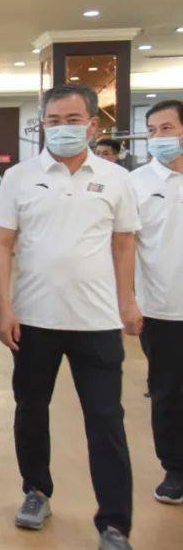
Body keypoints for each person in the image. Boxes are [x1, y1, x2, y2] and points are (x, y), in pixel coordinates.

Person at [0, 83, 140, 550]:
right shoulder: (20, 177)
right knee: (31, 410)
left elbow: (124, 244)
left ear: (92, 125)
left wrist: (127, 302)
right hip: (33, 319)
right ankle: (36, 491)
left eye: (72, 120)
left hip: (97, 322)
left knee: (106, 419)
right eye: (53, 121)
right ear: (42, 125)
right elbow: (1, 244)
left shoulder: (116, 178)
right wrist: (4, 308)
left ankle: (114, 523)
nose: (62, 129)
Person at [131, 99, 183, 504]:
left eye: (167, 128)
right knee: (168, 392)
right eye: (152, 130)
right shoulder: (137, 183)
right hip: (162, 307)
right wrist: (127, 301)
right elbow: (124, 247)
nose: (158, 137)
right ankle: (175, 468)